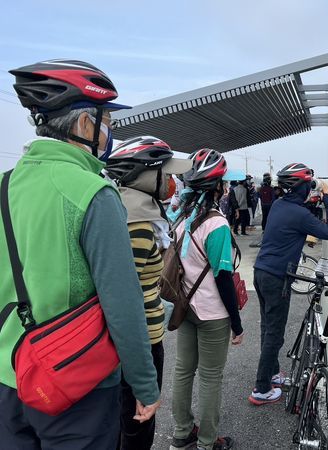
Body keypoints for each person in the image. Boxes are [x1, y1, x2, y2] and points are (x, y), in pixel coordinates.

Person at [0, 59, 160, 449]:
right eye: (107, 122)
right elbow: (122, 302)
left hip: (8, 375)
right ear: (85, 125)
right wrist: (144, 383)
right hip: (76, 383)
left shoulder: (5, 185)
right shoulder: (94, 192)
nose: (109, 133)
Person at [106, 136, 192, 450]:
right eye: (166, 173)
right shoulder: (138, 225)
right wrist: (143, 378)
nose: (172, 182)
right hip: (139, 341)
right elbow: (123, 298)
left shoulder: (121, 207)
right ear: (145, 175)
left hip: (128, 340)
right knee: (136, 427)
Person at [169, 148, 244, 450]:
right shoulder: (216, 224)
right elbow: (223, 278)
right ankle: (207, 442)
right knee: (211, 377)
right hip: (212, 313)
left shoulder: (180, 217)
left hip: (185, 306)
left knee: (183, 370)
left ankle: (181, 433)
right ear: (217, 187)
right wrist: (237, 324)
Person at [249, 163, 328, 404]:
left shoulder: (280, 205)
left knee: (268, 327)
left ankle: (272, 373)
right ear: (299, 187)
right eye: (308, 184)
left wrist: (313, 202)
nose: (310, 188)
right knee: (275, 334)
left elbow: (299, 213)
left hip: (261, 272)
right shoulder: (299, 215)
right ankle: (261, 389)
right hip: (277, 278)